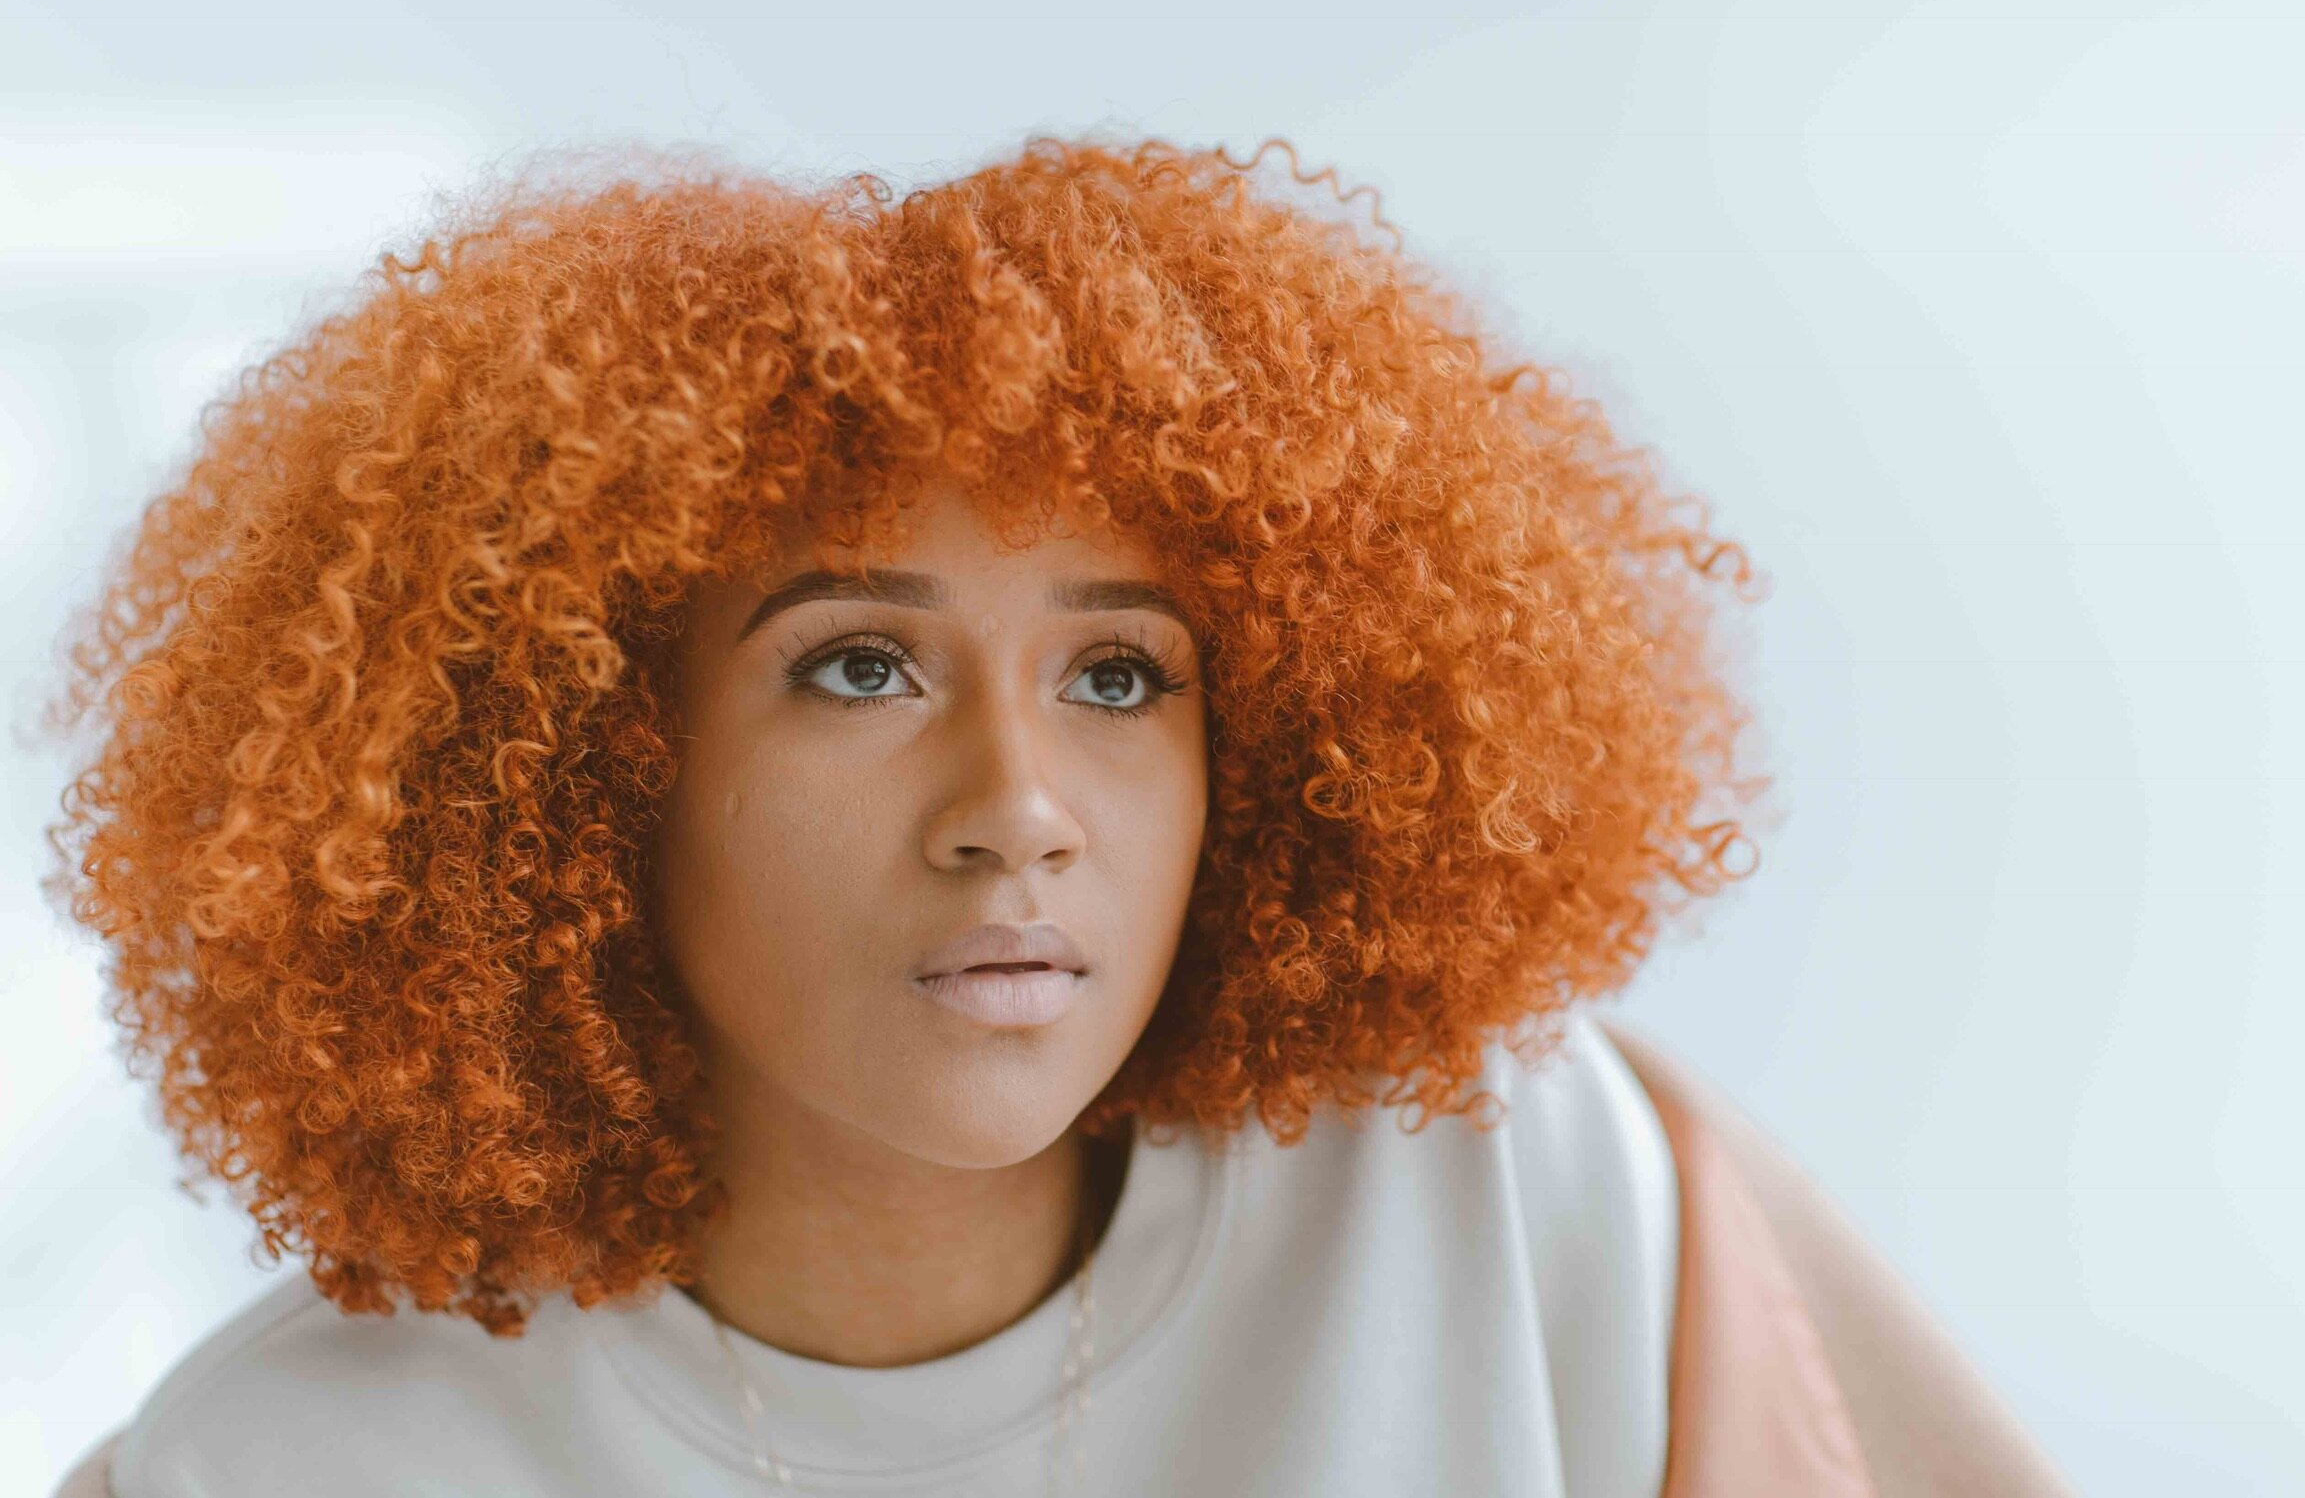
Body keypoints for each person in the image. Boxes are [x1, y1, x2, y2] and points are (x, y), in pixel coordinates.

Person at [41, 135, 2071, 1496]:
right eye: (859, 666)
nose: (1016, 812)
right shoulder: (289, 1464)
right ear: (574, 765)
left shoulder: (1491, 1182)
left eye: (1117, 677)